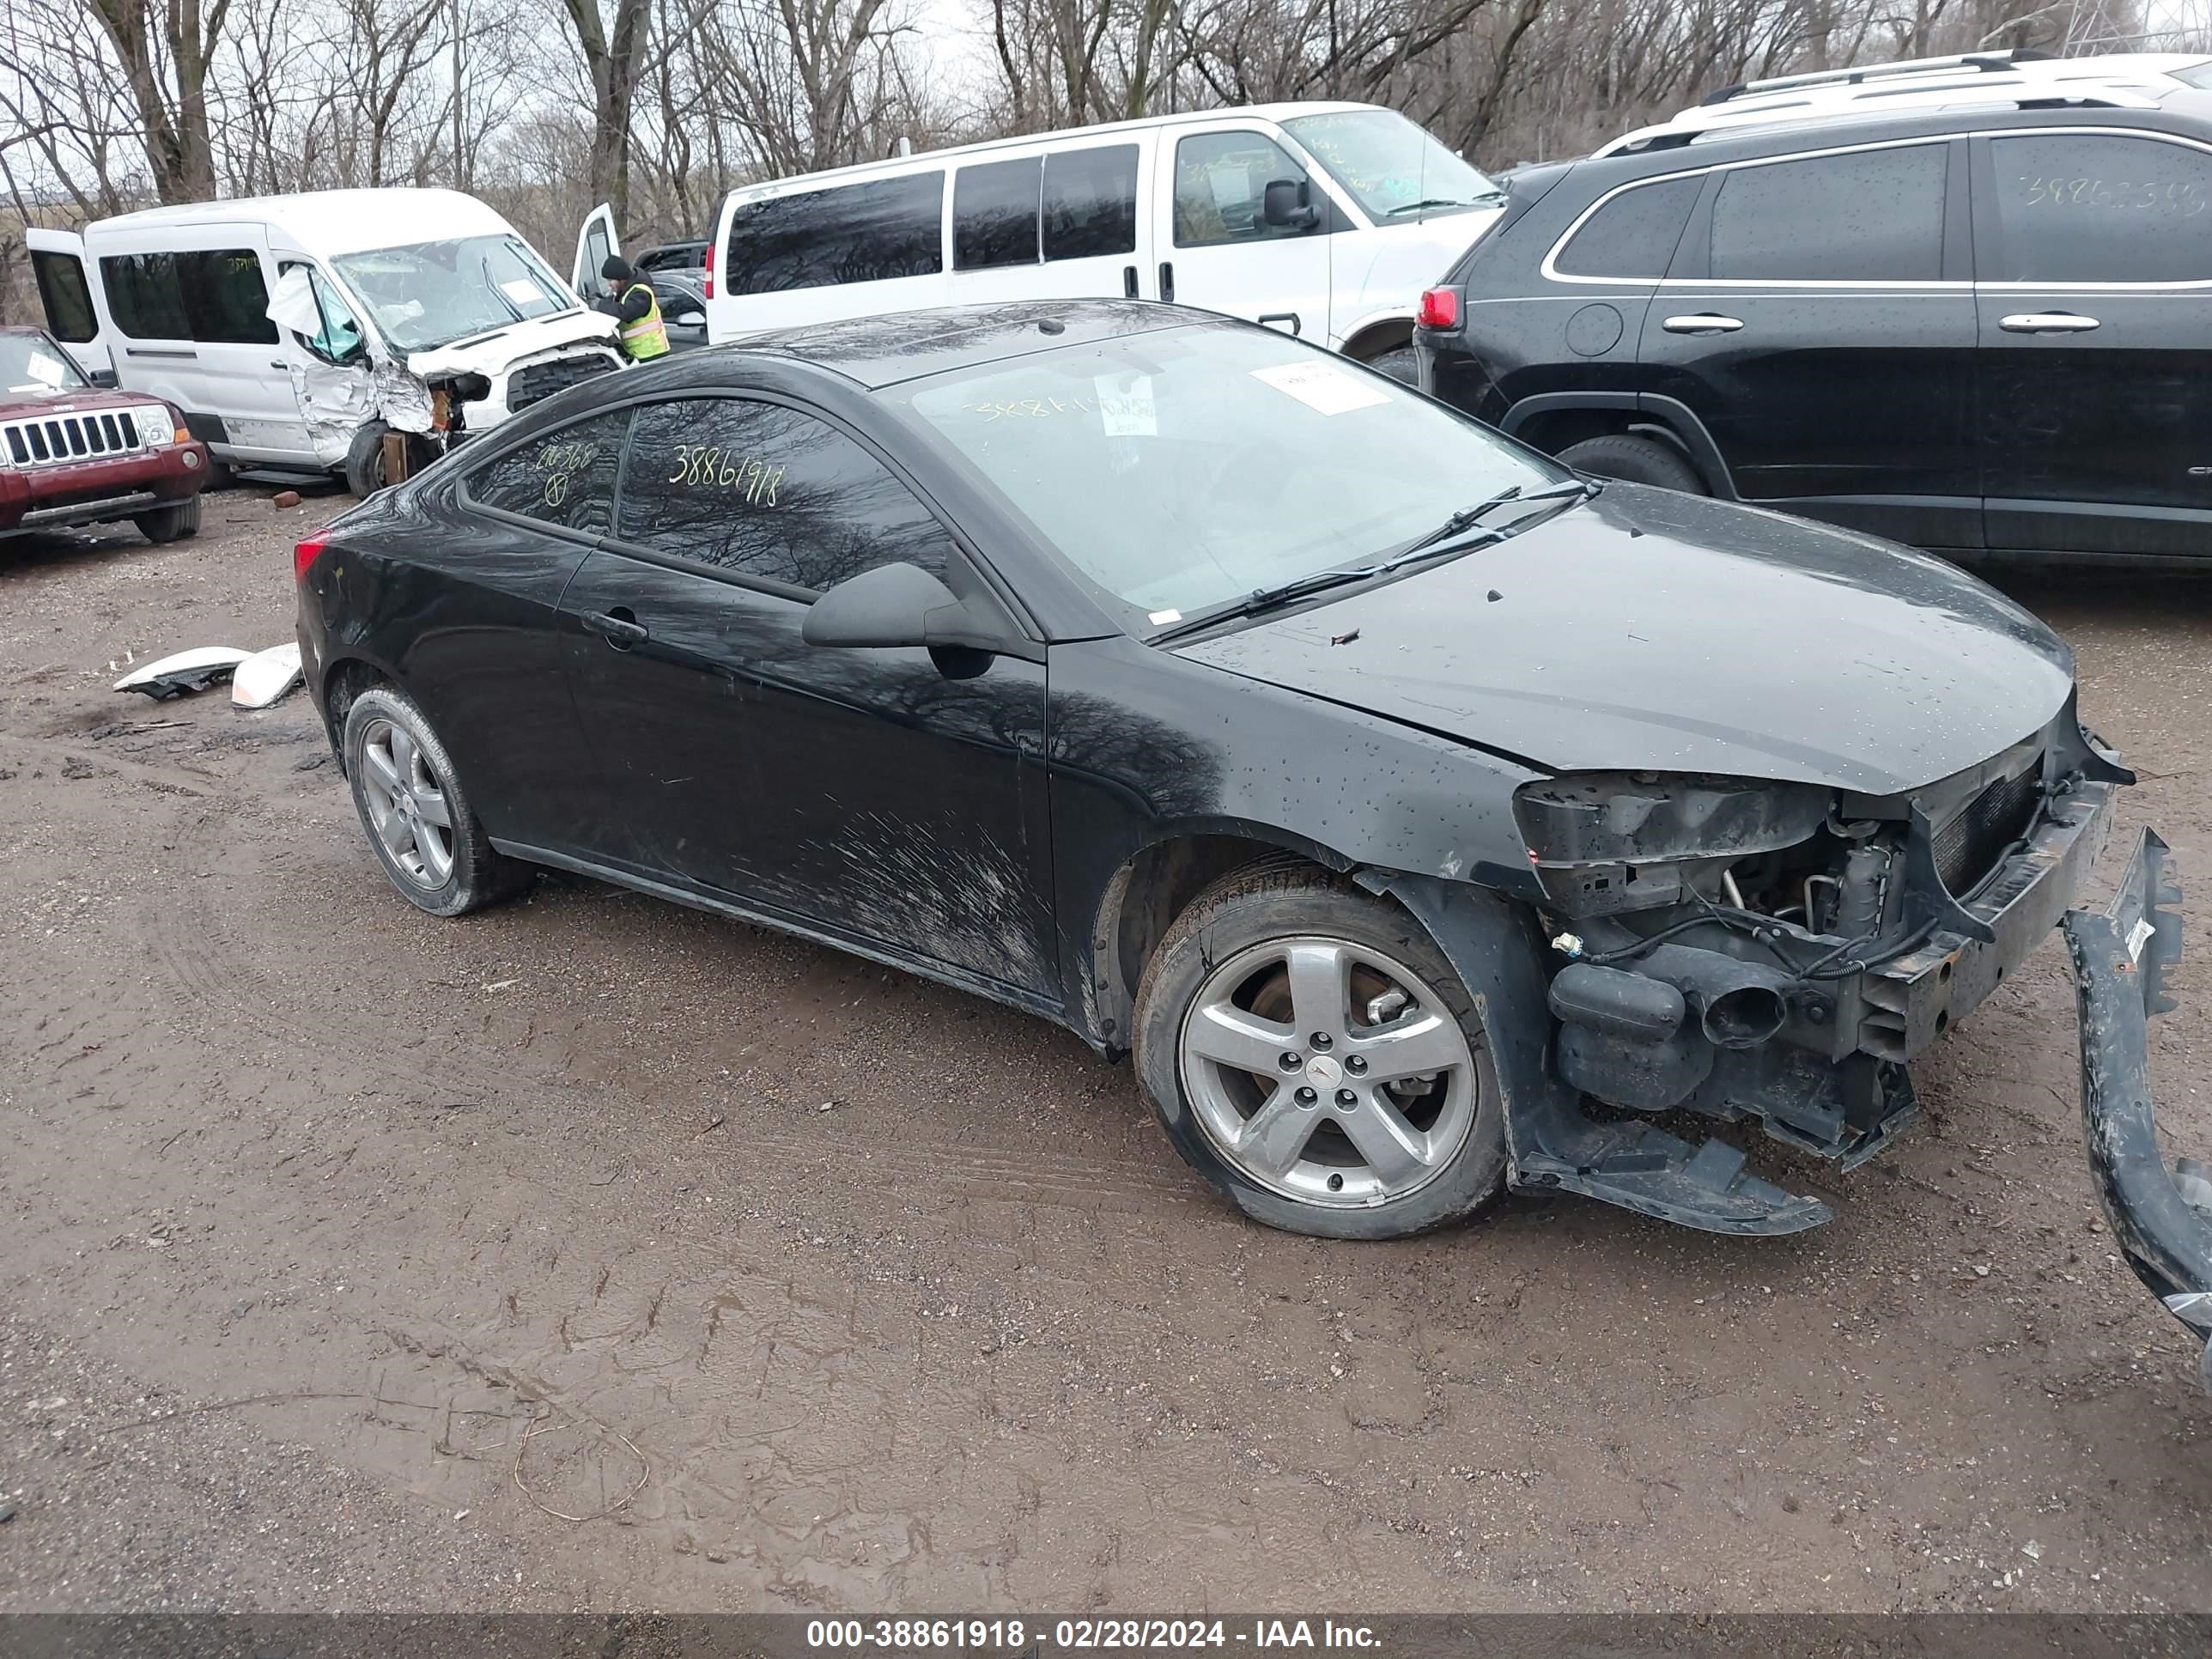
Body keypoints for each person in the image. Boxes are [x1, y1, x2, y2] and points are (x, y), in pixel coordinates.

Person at [594, 255, 669, 362]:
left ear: (620, 278)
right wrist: (600, 301)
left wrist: (599, 305)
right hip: (639, 354)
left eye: (610, 280)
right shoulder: (626, 292)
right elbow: (614, 304)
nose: (609, 285)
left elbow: (626, 312)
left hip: (652, 353)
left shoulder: (640, 293)